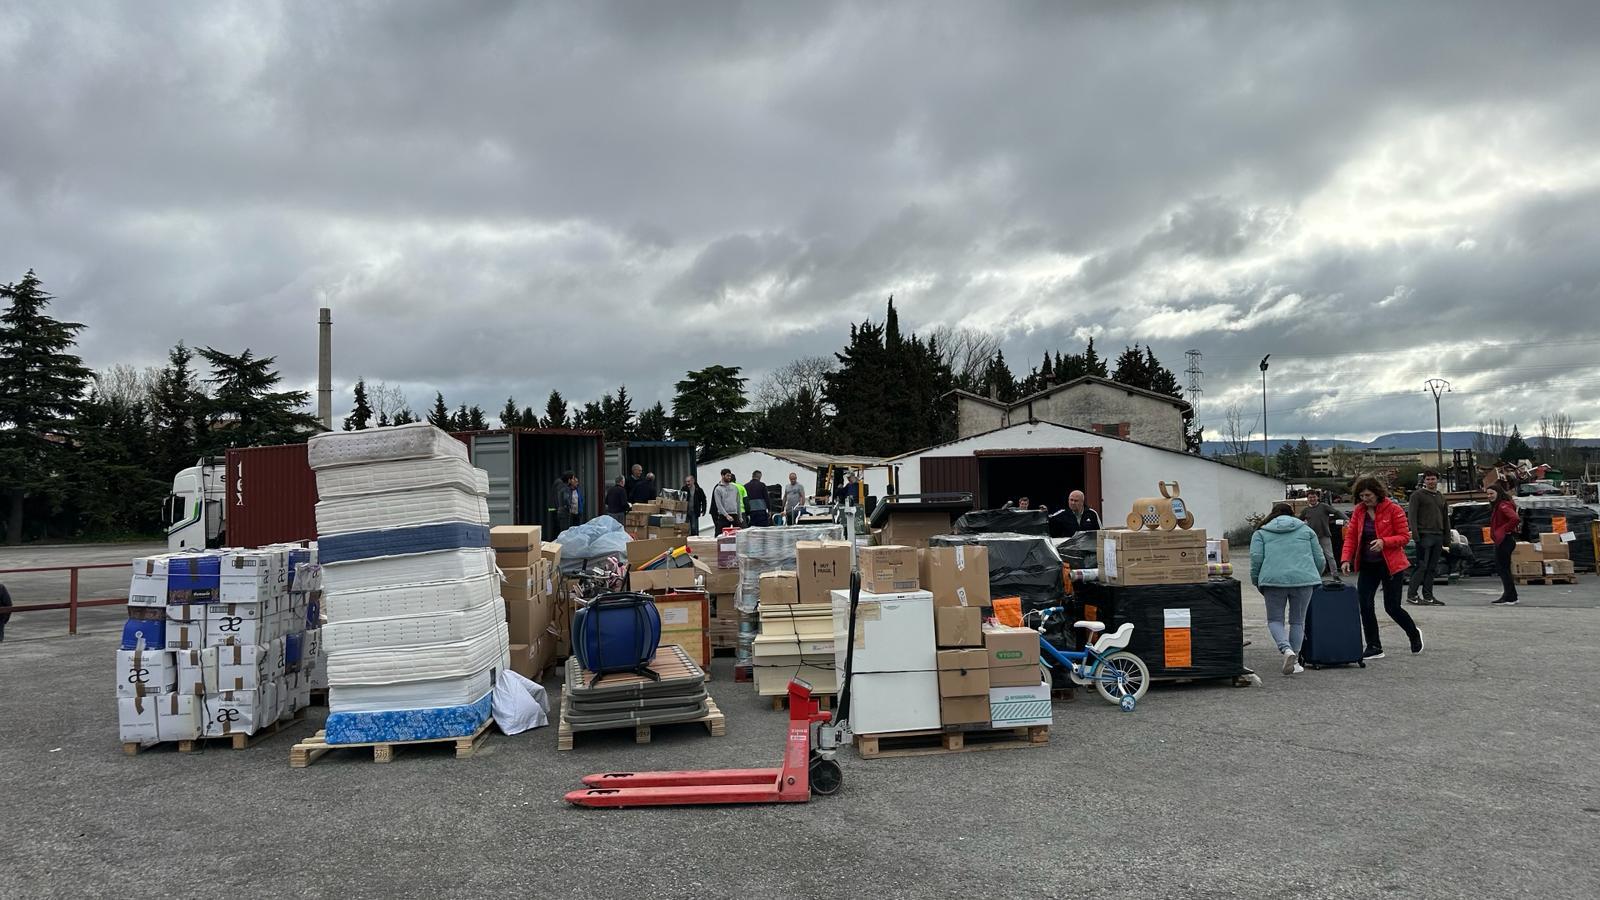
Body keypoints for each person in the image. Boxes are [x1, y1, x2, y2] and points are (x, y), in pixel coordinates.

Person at [1340, 477, 1424, 658]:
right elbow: (1351, 537)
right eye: (1361, 496)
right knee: (1365, 605)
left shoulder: (1394, 509)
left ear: (1377, 493)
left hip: (1391, 565)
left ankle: (1413, 633)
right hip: (1368, 565)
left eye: (1368, 495)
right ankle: (1374, 646)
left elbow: (1404, 536)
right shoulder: (1359, 511)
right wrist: (1346, 559)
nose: (1365, 499)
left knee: (1392, 607)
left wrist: (1384, 542)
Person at [1250, 502, 1325, 675]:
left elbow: (1256, 559)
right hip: (1304, 580)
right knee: (1298, 621)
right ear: (1293, 514)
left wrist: (1257, 580)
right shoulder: (1307, 531)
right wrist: (1314, 575)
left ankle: (1286, 649)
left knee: (1275, 620)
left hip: (1273, 581)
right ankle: (1296, 661)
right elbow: (1319, 558)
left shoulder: (1261, 533)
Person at [1407, 470, 1449, 606]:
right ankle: (1412, 595)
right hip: (1424, 535)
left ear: (1437, 480)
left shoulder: (1441, 497)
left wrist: (1446, 538)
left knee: (1432, 568)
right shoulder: (1417, 495)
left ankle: (1428, 596)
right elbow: (1412, 515)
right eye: (1428, 479)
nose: (1431, 481)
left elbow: (1445, 518)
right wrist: (1415, 535)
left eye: (1433, 479)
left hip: (1438, 535)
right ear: (1424, 481)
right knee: (1421, 566)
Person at [1298, 489, 1342, 581]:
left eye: (1314, 497)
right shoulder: (1306, 510)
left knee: (1330, 556)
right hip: (1312, 537)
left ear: (1317, 497)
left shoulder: (1324, 506)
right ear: (1307, 499)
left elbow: (1336, 512)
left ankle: (1335, 576)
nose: (1312, 499)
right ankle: (1315, 576)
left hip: (1324, 535)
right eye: (1310, 497)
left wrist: (1346, 519)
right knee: (1313, 557)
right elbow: (1298, 521)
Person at [1489, 484, 1522, 606]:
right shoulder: (1499, 505)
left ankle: (1509, 596)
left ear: (1498, 493)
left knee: (1503, 569)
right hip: (1504, 539)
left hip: (1504, 540)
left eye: (1492, 493)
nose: (1489, 496)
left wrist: (1503, 530)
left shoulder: (1503, 505)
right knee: (1504, 569)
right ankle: (1511, 595)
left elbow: (1515, 519)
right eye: (1488, 494)